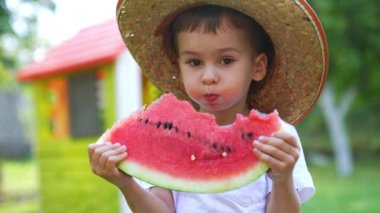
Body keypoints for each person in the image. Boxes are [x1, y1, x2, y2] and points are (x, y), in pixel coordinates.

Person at [88, 1, 328, 212]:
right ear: (179, 68)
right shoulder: (168, 139)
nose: (209, 76)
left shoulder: (278, 138)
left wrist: (283, 180)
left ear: (258, 67)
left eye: (226, 60)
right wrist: (125, 184)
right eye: (194, 62)